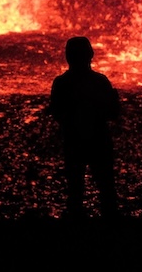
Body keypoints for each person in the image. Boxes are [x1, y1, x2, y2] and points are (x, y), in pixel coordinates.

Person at [48, 36, 121, 220]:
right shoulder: (100, 81)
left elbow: (57, 112)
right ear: (91, 55)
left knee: (75, 189)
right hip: (99, 141)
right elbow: (113, 113)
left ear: (68, 56)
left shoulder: (61, 83)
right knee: (106, 189)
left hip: (73, 142)